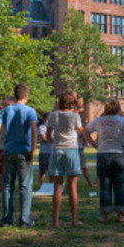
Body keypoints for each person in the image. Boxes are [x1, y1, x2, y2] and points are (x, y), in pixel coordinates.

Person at [83, 98, 124, 223]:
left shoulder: (99, 120)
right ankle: (120, 215)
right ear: (118, 107)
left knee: (104, 186)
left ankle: (104, 215)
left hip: (103, 154)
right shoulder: (123, 120)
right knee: (120, 185)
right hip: (120, 155)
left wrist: (93, 144)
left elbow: (86, 131)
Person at [0, 84, 38, 227]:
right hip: (24, 150)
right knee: (25, 186)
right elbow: (34, 130)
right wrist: (33, 149)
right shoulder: (30, 111)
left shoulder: (5, 110)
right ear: (26, 95)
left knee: (7, 186)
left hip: (9, 150)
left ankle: (7, 218)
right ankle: (24, 219)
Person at [45, 91, 84, 227]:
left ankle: (55, 221)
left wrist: (54, 141)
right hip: (71, 150)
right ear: (71, 103)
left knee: (57, 187)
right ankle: (74, 219)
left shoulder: (53, 115)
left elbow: (48, 135)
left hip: (57, 150)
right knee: (72, 186)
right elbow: (80, 131)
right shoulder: (75, 116)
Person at [75, 97, 96, 188]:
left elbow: (83, 133)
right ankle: (73, 185)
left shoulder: (78, 118)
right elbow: (82, 132)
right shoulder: (74, 117)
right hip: (75, 148)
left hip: (79, 148)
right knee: (76, 169)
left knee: (83, 167)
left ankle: (90, 184)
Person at [38, 112, 52, 186]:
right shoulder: (41, 128)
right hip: (44, 152)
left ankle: (51, 186)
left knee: (51, 171)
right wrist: (53, 140)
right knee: (42, 171)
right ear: (44, 119)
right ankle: (41, 185)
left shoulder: (53, 128)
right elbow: (44, 138)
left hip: (52, 152)